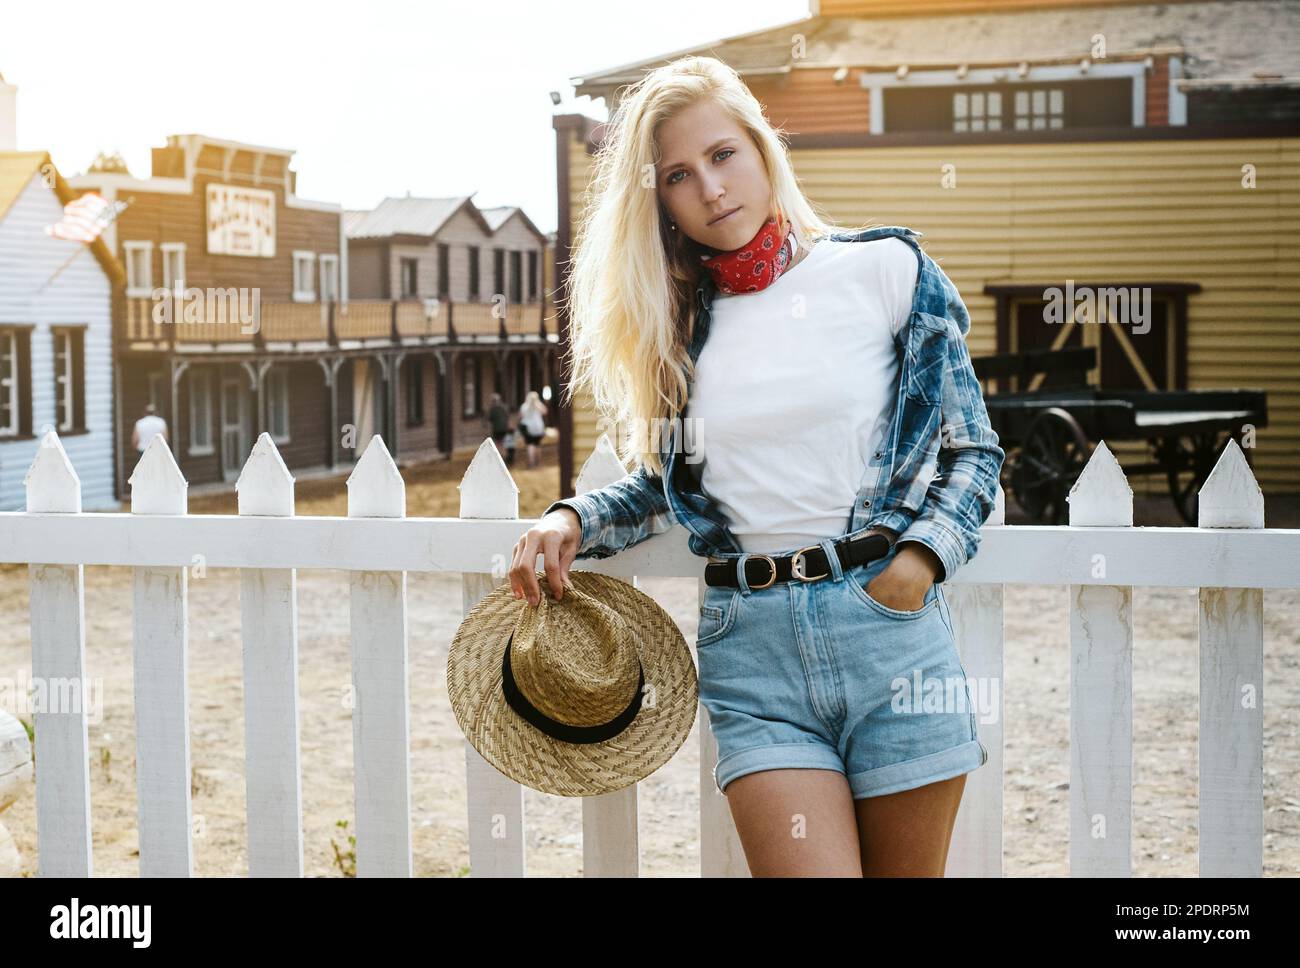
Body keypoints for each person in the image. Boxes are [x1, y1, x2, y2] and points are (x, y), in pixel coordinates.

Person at [507, 56, 1003, 877]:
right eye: (678, 174)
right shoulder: (678, 331)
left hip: (889, 631)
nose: (710, 187)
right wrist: (571, 516)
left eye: (723, 154)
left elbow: (972, 449)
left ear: (763, 147)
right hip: (755, 651)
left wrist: (916, 564)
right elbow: (669, 485)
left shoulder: (885, 271)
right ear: (657, 197)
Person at [517, 391, 548, 469]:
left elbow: (520, 416)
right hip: (538, 427)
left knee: (530, 445)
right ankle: (538, 462)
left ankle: (531, 462)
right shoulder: (539, 405)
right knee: (537, 444)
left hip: (528, 428)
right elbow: (545, 412)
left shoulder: (524, 406)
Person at [487, 392, 510, 459]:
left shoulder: (492, 409)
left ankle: (500, 457)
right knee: (503, 443)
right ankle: (505, 457)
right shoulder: (504, 407)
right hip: (504, 428)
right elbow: (507, 417)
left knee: (498, 443)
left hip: (496, 429)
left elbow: (489, 420)